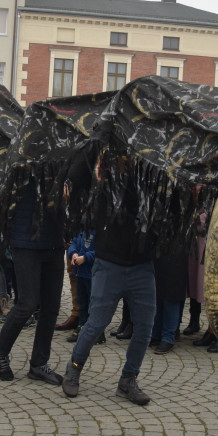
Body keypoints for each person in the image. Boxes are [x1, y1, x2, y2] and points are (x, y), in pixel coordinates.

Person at [62, 154, 157, 406]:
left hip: (142, 264)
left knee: (145, 326)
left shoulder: (151, 172)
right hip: (109, 263)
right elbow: (74, 173)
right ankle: (74, 367)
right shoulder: (103, 175)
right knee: (97, 323)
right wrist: (99, 144)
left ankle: (128, 379)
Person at [0, 185, 66, 383]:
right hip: (25, 241)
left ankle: (39, 364)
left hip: (54, 241)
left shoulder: (60, 161)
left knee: (51, 307)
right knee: (27, 303)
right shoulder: (21, 162)